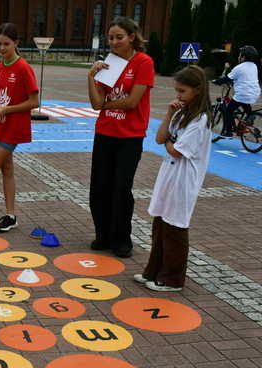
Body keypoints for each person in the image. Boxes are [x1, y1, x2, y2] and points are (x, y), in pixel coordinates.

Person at [134, 65, 212, 292]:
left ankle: (173, 279)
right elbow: (159, 139)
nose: (178, 96)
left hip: (184, 178)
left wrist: (169, 142)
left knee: (175, 228)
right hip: (169, 175)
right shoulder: (180, 112)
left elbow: (176, 150)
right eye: (177, 91)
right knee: (160, 224)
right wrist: (169, 114)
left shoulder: (201, 120)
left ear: (197, 90)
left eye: (182, 91)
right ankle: (153, 270)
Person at [87, 16, 154, 258]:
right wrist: (90, 78)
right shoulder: (110, 63)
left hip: (130, 136)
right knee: (100, 187)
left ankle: (122, 238)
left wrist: (109, 103)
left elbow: (133, 102)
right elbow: (96, 104)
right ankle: (103, 235)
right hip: (105, 133)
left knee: (121, 188)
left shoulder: (143, 62)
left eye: (119, 37)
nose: (114, 42)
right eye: (111, 38)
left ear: (132, 37)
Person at [0, 23, 39, 232]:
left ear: (16, 43)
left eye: (6, 44)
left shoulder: (23, 68)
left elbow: (34, 102)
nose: (2, 48)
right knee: (7, 169)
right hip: (0, 126)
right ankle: (11, 216)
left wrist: (6, 110)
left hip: (14, 128)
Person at [212, 45, 261, 137]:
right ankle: (250, 115)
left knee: (228, 110)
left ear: (244, 57)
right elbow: (245, 78)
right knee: (244, 102)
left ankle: (228, 131)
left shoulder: (239, 67)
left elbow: (227, 78)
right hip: (255, 93)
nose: (239, 57)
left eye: (240, 55)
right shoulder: (254, 66)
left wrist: (216, 82)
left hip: (243, 94)